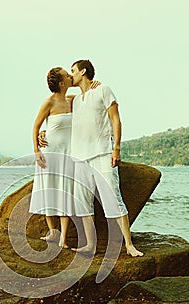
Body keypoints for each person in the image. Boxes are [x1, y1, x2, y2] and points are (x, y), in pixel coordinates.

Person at [40, 59, 143, 257]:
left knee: (114, 198)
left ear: (83, 72)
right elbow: (57, 113)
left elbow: (115, 119)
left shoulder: (103, 90)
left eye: (73, 71)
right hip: (79, 157)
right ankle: (90, 245)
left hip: (102, 153)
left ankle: (129, 245)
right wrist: (44, 132)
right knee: (83, 203)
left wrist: (117, 148)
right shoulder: (75, 100)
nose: (70, 75)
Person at [29, 67, 74, 248]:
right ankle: (53, 232)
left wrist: (95, 83)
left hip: (68, 153)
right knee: (49, 191)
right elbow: (35, 126)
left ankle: (63, 237)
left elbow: (90, 94)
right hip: (50, 154)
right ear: (61, 83)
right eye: (67, 75)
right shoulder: (49, 102)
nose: (71, 76)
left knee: (65, 192)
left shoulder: (73, 100)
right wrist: (36, 150)